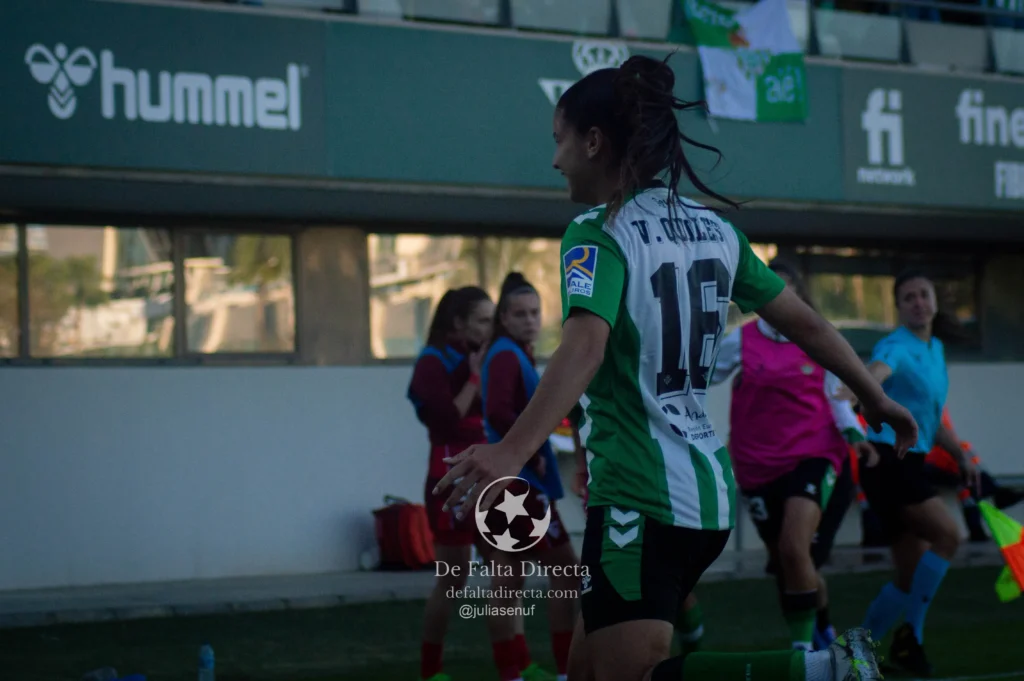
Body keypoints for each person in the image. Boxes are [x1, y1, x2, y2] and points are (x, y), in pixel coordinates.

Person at [434, 53, 917, 681]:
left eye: (559, 141)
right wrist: (872, 398)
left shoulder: (597, 232)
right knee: (581, 672)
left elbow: (585, 348)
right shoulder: (716, 232)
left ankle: (824, 671)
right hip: (706, 495)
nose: (554, 160)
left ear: (594, 141)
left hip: (640, 494)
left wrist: (509, 452)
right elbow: (809, 324)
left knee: (629, 675)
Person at [711, 261, 872, 652]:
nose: (777, 303)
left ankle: (802, 655)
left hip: (814, 454)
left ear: (799, 298)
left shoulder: (818, 337)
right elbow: (701, 375)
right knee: (792, 566)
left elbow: (838, 396)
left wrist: (855, 434)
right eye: (769, 295)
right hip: (756, 464)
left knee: (793, 548)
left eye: (785, 294)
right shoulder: (741, 341)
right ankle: (825, 637)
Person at [851, 270, 978, 678]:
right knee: (948, 536)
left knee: (909, 575)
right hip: (890, 461)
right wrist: (862, 387)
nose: (918, 302)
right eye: (909, 298)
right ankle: (912, 638)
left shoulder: (936, 348)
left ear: (935, 301)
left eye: (924, 294)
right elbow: (876, 372)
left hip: (912, 458)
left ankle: (855, 655)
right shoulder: (896, 345)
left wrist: (960, 455)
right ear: (900, 307)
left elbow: (931, 417)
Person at [479, 272, 579, 681]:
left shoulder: (510, 352)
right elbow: (499, 412)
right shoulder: (506, 354)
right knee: (567, 573)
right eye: (519, 313)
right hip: (521, 486)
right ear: (503, 317)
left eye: (535, 312)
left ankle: (511, 672)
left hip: (508, 484)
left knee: (507, 580)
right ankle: (563, 670)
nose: (530, 320)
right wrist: (534, 450)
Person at [407, 286, 495, 681]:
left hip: (489, 479)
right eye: (482, 320)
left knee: (506, 570)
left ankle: (515, 664)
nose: (490, 328)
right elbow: (444, 420)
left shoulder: (492, 355)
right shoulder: (433, 362)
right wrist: (475, 379)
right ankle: (430, 670)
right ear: (457, 323)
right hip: (450, 482)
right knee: (453, 578)